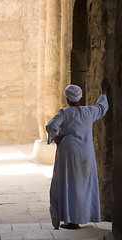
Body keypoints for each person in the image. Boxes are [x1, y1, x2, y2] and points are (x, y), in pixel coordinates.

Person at [46, 78, 110, 230]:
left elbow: (50, 126)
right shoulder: (89, 111)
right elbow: (102, 108)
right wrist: (104, 91)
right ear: (80, 97)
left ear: (67, 99)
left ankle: (71, 220)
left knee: (69, 184)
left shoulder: (64, 112)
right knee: (83, 184)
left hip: (68, 152)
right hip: (86, 152)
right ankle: (82, 217)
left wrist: (56, 138)